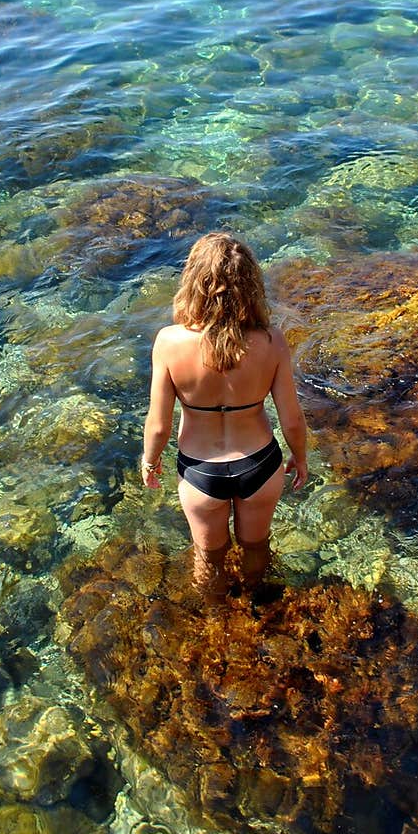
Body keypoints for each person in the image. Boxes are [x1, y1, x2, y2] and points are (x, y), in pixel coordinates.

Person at [141, 232, 308, 596]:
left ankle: (217, 622)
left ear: (194, 281)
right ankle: (255, 608)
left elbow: (159, 425)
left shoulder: (169, 342)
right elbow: (292, 418)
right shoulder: (271, 340)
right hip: (260, 464)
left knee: (208, 556)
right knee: (256, 546)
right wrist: (301, 457)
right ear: (251, 284)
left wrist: (150, 461)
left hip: (201, 471)